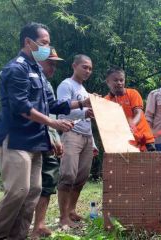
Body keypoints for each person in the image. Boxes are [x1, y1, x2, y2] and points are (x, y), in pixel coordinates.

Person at [0, 22, 90, 240]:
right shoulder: (16, 68)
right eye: (44, 43)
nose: (47, 47)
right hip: (15, 138)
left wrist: (82, 105)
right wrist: (53, 124)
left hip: (36, 141)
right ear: (28, 42)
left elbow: (53, 105)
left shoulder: (39, 72)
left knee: (33, 192)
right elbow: (21, 106)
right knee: (18, 191)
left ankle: (18, 236)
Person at [56, 54, 95, 227]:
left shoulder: (85, 91)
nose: (88, 71)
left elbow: (89, 118)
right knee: (68, 175)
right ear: (74, 66)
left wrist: (93, 142)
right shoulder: (66, 84)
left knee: (82, 177)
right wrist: (84, 111)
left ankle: (71, 211)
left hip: (86, 136)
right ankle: (63, 217)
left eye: (90, 68)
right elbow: (61, 111)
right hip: (71, 134)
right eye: (84, 67)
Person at [31, 47, 64, 238]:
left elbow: (51, 113)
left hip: (48, 139)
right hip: (31, 139)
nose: (53, 68)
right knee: (27, 186)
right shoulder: (27, 79)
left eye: (55, 64)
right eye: (50, 63)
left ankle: (40, 224)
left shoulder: (48, 85)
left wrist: (55, 138)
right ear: (38, 61)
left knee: (48, 180)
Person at [104, 66, 155, 151]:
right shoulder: (106, 100)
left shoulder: (133, 93)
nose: (119, 83)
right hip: (125, 141)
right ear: (108, 82)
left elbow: (138, 113)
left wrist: (130, 126)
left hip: (145, 140)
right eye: (115, 80)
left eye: (121, 80)